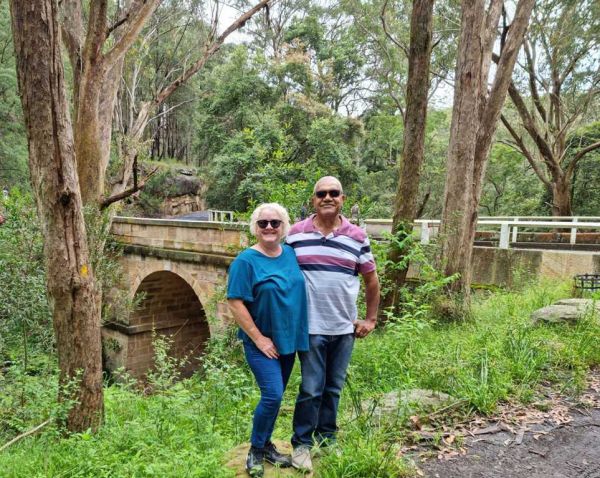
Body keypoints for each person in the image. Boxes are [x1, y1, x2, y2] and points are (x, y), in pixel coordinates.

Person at [286, 176, 380, 472]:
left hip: (344, 329)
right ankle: (302, 444)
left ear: (342, 199)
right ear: (313, 200)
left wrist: (371, 319)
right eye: (321, 193)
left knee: (333, 388)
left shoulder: (357, 236)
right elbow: (277, 268)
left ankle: (327, 439)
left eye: (334, 193)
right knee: (312, 388)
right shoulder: (295, 234)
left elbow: (371, 280)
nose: (328, 197)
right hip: (310, 327)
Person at [227, 203, 309, 478]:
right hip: (261, 343)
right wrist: (259, 338)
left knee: (276, 396)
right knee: (272, 394)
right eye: (264, 223)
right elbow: (235, 302)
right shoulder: (245, 261)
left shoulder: (290, 254)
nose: (270, 227)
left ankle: (267, 445)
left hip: (289, 340)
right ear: (256, 228)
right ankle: (255, 450)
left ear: (284, 226)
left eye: (275, 222)